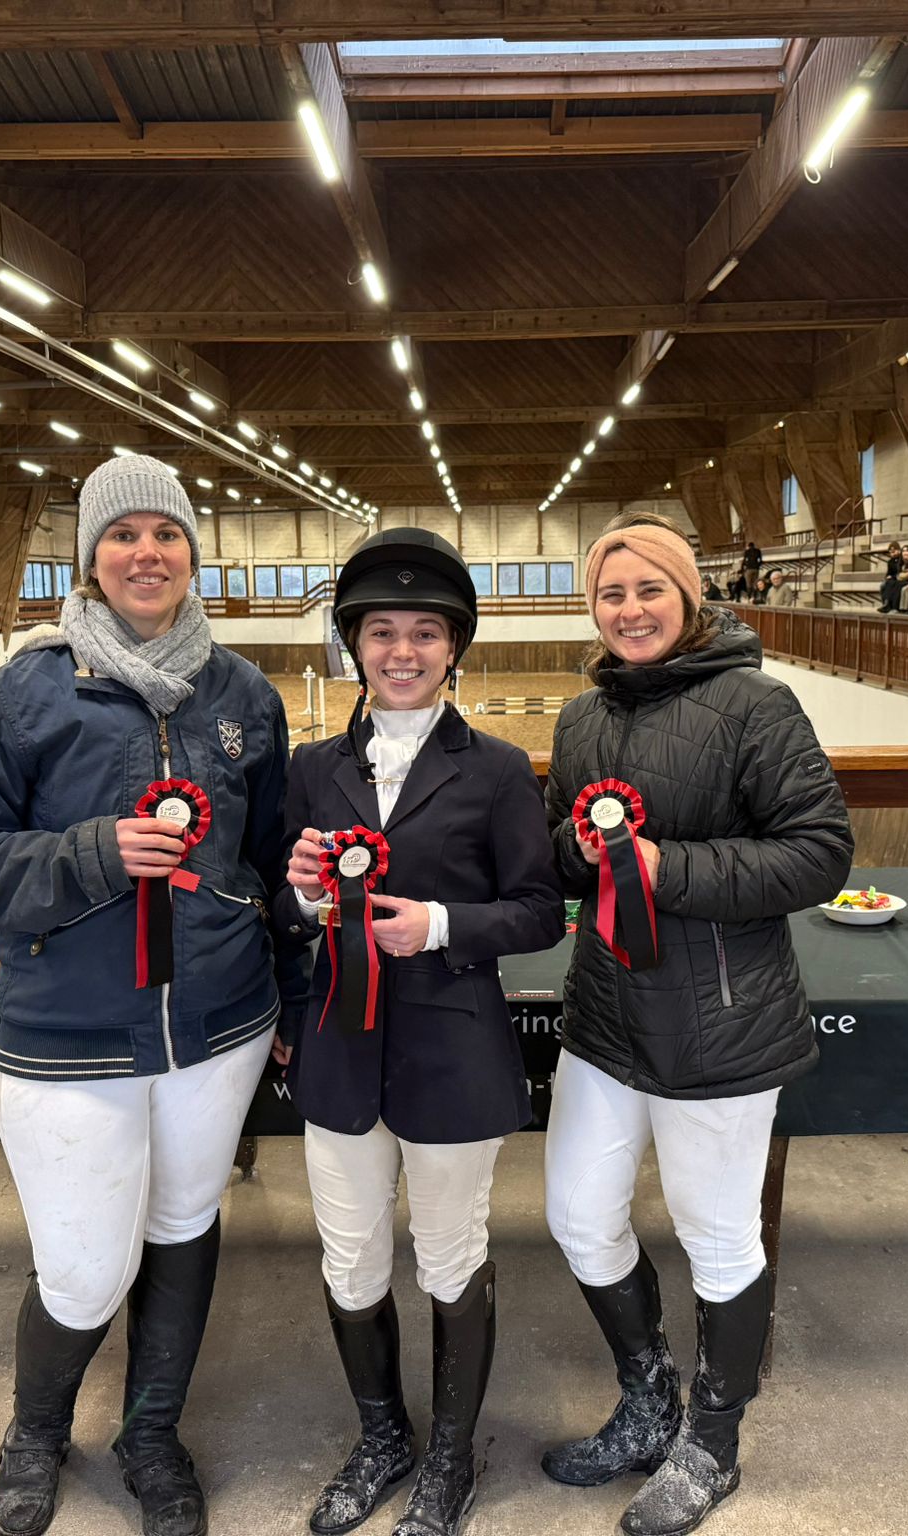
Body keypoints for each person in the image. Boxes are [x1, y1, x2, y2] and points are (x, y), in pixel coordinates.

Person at [0, 453, 302, 1536]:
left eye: (166, 533)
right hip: (70, 1033)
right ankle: (36, 1428)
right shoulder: (22, 692)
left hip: (219, 1028)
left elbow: (269, 860)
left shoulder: (244, 694)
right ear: (90, 556)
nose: (146, 553)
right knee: (85, 1269)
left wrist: (292, 989)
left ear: (192, 553)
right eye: (123, 535)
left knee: (183, 1225)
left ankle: (150, 1433)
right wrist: (92, 853)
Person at [542, 512, 855, 1536]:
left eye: (649, 590)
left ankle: (712, 1442)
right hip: (604, 1016)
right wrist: (574, 853)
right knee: (578, 1216)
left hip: (719, 1021)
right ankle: (647, 1403)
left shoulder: (757, 706)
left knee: (717, 1237)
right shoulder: (581, 719)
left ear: (688, 597)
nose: (630, 610)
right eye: (611, 594)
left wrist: (664, 867)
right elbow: (562, 851)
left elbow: (817, 853)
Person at [272, 529, 564, 1536]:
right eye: (382, 631)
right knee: (350, 1259)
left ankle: (449, 1455)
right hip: (338, 1050)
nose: (402, 651)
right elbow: (283, 908)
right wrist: (303, 898)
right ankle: (381, 1435)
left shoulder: (496, 770)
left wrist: (438, 925)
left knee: (448, 1257)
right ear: (354, 644)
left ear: (453, 649)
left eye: (425, 633)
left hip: (452, 1049)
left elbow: (539, 912)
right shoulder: (311, 769)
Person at [877, 542, 907, 613]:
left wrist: (893, 577)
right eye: (890, 552)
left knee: (891, 584)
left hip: (898, 578)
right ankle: (885, 603)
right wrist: (887, 577)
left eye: (893, 552)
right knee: (884, 585)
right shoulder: (890, 562)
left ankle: (890, 604)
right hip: (892, 578)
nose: (892, 554)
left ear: (898, 550)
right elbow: (889, 572)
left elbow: (900, 572)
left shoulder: (901, 560)